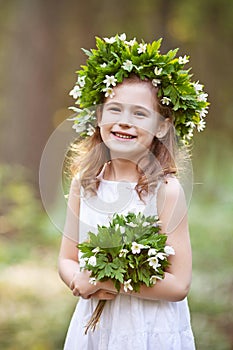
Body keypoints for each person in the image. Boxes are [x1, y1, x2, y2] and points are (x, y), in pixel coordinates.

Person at [58, 34, 209, 349]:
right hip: (94, 328)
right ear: (99, 116)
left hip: (149, 327)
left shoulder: (166, 191)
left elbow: (179, 284)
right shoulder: (84, 184)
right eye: (114, 109)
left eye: (139, 114)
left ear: (162, 127)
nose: (124, 122)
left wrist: (106, 279)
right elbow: (67, 258)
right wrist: (77, 280)